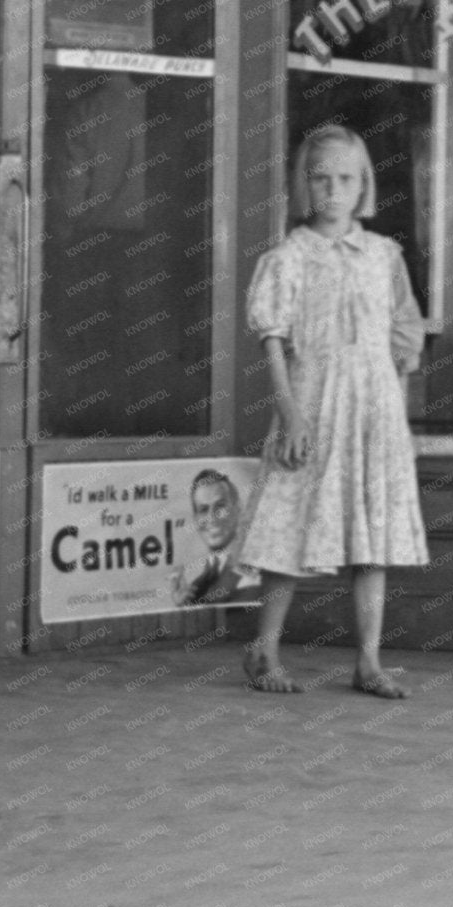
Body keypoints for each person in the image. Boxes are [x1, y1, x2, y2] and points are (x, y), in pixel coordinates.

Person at [234, 124, 429, 698]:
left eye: (345, 179)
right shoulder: (290, 257)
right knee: (289, 525)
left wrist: (395, 414)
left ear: (363, 184)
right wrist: (290, 414)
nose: (333, 191)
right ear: (305, 184)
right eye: (320, 179)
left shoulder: (384, 256)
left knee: (371, 536)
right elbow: (273, 339)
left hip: (374, 410)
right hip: (313, 403)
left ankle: (368, 661)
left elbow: (403, 332)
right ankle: (264, 649)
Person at [181, 469, 242, 606]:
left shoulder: (252, 567)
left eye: (220, 506)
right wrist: (183, 606)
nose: (211, 518)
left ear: (237, 509)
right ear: (195, 519)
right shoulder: (196, 586)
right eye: (203, 510)